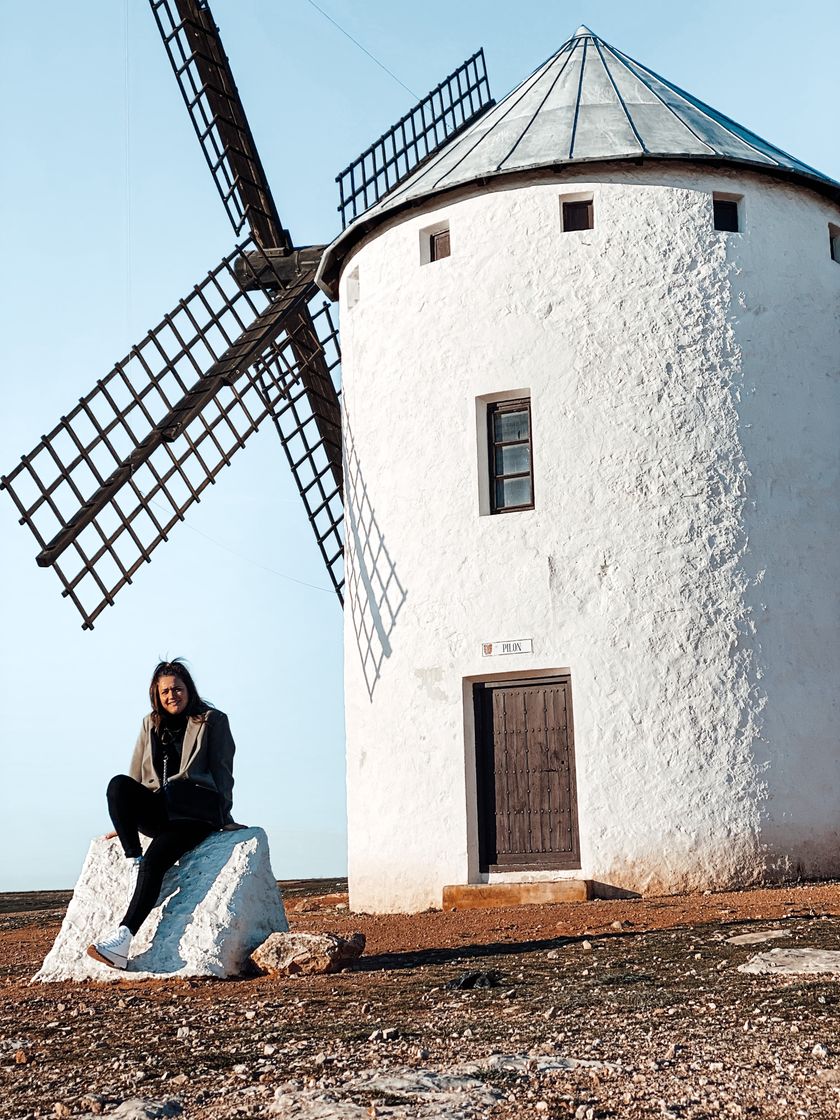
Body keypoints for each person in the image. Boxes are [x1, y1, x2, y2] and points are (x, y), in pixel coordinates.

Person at [87, 659, 239, 970]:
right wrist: (124, 819)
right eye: (166, 691)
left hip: (193, 814)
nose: (173, 695)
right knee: (118, 785)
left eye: (178, 689)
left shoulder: (212, 720)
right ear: (157, 695)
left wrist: (225, 817)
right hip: (160, 808)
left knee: (157, 861)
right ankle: (134, 861)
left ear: (189, 690)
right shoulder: (150, 723)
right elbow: (136, 772)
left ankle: (123, 938)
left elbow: (223, 771)